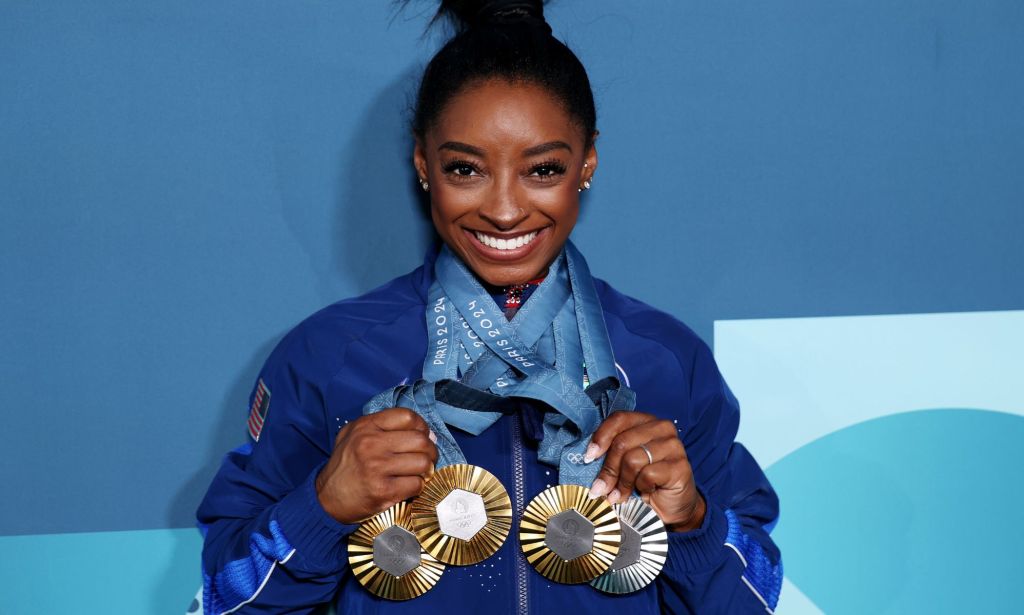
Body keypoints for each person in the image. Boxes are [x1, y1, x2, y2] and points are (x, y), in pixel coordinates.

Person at [196, 1, 782, 613]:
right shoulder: (329, 357)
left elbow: (755, 598)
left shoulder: (664, 361)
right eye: (466, 169)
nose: (504, 211)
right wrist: (319, 509)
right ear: (424, 164)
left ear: (588, 162)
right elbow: (224, 598)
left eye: (543, 169)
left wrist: (692, 522)